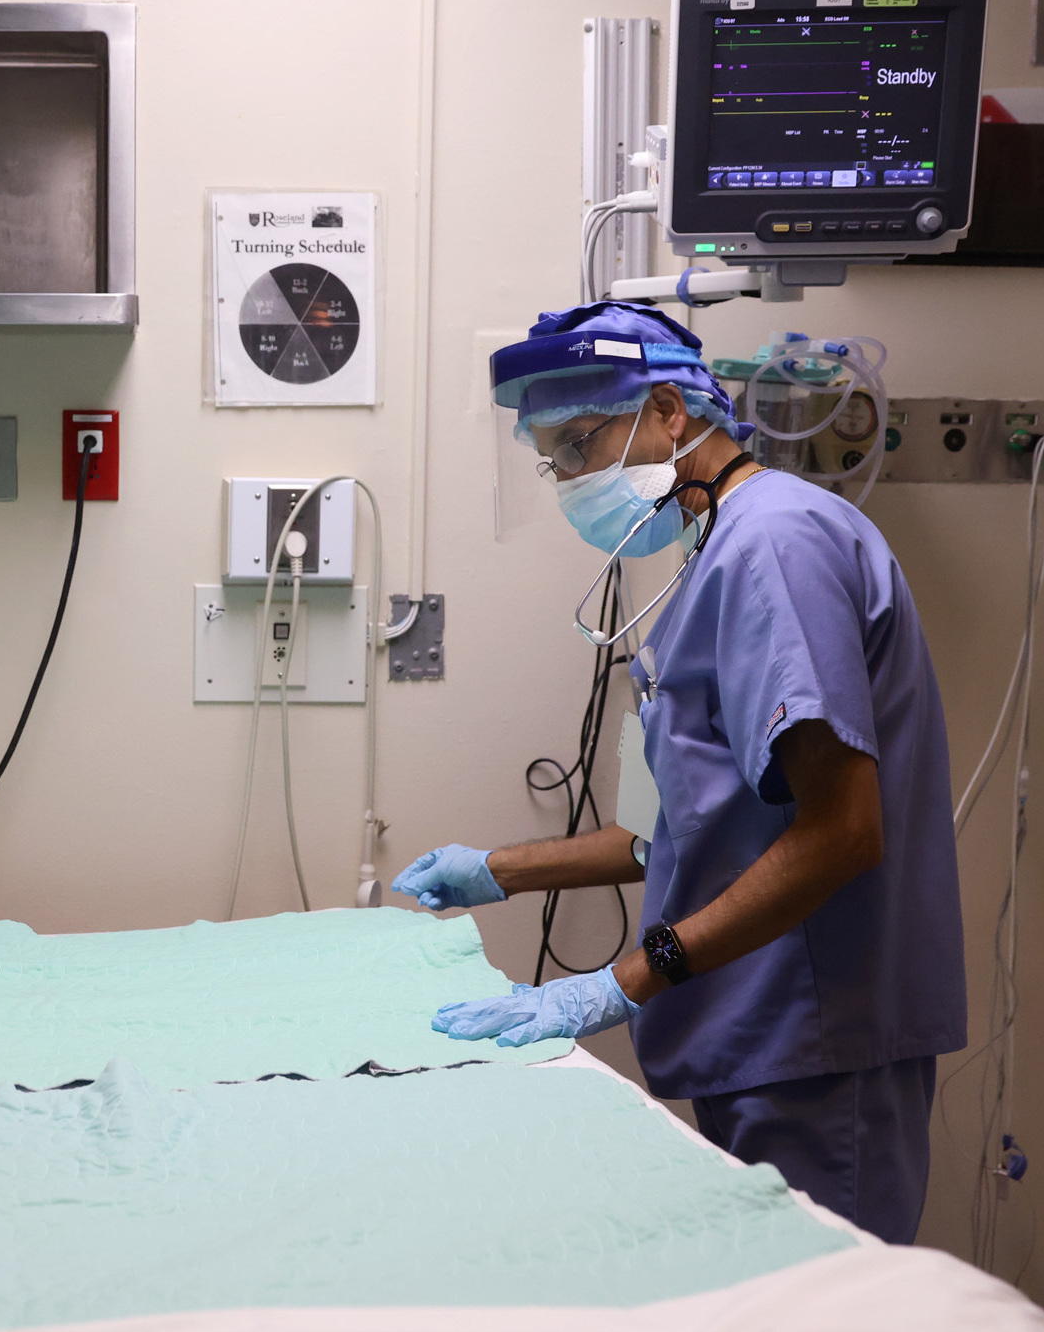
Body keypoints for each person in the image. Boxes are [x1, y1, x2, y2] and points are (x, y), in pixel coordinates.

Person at [394, 303, 963, 1244]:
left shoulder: (775, 545)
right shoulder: (720, 554)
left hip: (812, 1035)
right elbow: (687, 826)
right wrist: (496, 868)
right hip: (755, 1031)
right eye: (555, 458)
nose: (573, 477)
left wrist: (621, 979)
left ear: (668, 410)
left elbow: (841, 831)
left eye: (581, 442)